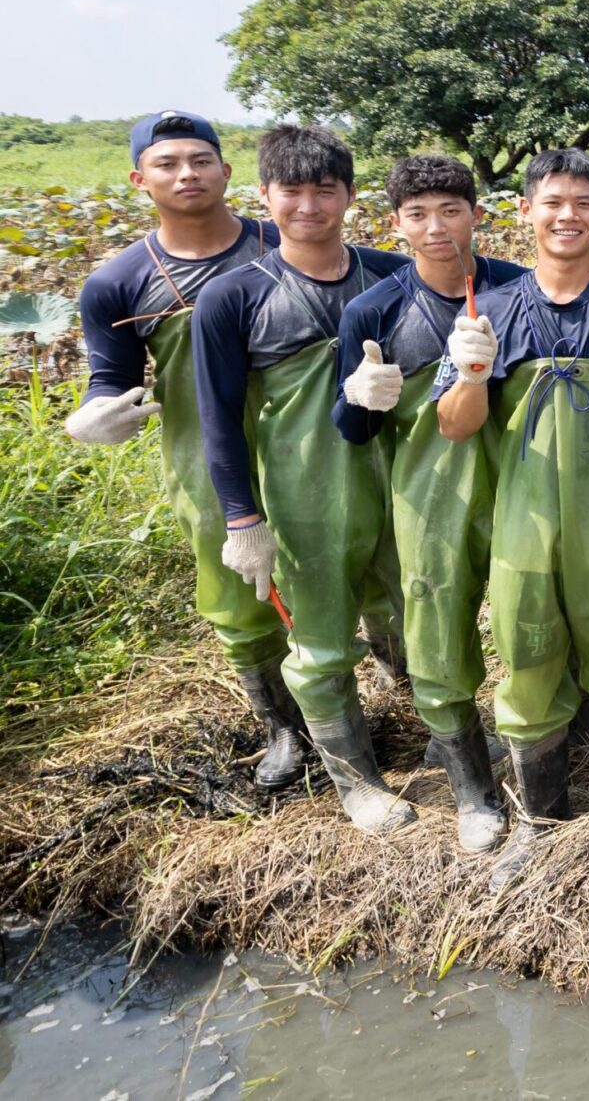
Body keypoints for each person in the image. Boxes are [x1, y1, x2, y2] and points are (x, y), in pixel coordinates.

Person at [435, 148, 589, 891]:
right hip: (523, 519)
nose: (568, 215)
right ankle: (542, 819)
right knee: (528, 650)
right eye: (552, 202)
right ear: (525, 212)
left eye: (583, 202)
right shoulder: (491, 311)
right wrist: (472, 371)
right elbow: (455, 426)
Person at [192, 124, 412, 836]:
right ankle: (356, 781)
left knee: (421, 606)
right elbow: (219, 421)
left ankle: (441, 729)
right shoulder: (232, 298)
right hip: (305, 493)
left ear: (351, 196)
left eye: (326, 190)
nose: (310, 206)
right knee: (319, 638)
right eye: (293, 191)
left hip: (404, 477)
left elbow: (488, 284)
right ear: (266, 195)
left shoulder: (388, 273)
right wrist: (241, 520)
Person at [71, 112, 297, 784]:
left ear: (228, 173)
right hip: (205, 458)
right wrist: (92, 417)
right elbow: (109, 378)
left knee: (367, 571)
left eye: (201, 160)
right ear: (140, 180)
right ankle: (284, 726)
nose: (187, 173)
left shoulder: (283, 241)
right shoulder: (117, 283)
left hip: (311, 439)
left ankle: (414, 703)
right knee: (237, 592)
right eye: (167, 164)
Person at [331, 155, 527, 853]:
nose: (436, 227)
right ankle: (473, 790)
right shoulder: (373, 309)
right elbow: (350, 428)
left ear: (477, 213)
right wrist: (360, 397)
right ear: (395, 224)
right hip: (427, 497)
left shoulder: (518, 289)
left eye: (451, 210)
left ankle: (542, 752)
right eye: (418, 214)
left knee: (532, 618)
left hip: (516, 486)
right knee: (438, 638)